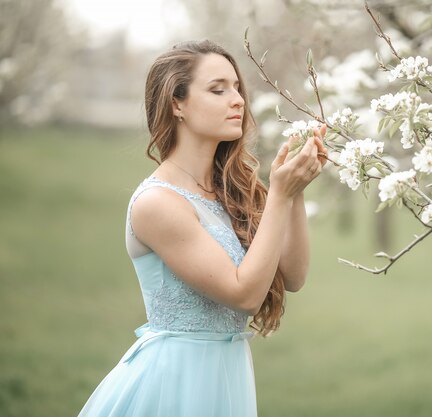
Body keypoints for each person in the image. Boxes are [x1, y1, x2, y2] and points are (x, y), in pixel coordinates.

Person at [77, 40, 327, 417]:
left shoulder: (232, 189)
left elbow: (292, 276)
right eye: (218, 89)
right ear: (177, 104)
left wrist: (294, 194)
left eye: (237, 88)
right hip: (174, 382)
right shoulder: (157, 203)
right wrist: (279, 195)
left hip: (228, 374)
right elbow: (244, 295)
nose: (238, 100)